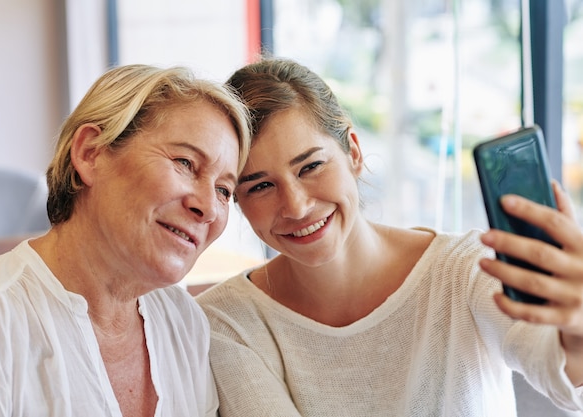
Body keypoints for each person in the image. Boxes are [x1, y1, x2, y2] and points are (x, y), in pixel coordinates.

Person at [196, 57, 583, 416]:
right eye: (260, 186)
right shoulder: (227, 322)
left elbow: (561, 372)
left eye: (311, 165)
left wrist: (577, 327)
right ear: (235, 199)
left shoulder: (464, 270)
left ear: (354, 153)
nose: (296, 207)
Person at [0, 64, 251, 417]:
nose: (206, 207)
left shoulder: (182, 320)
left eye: (223, 190)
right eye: (185, 162)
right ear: (90, 152)